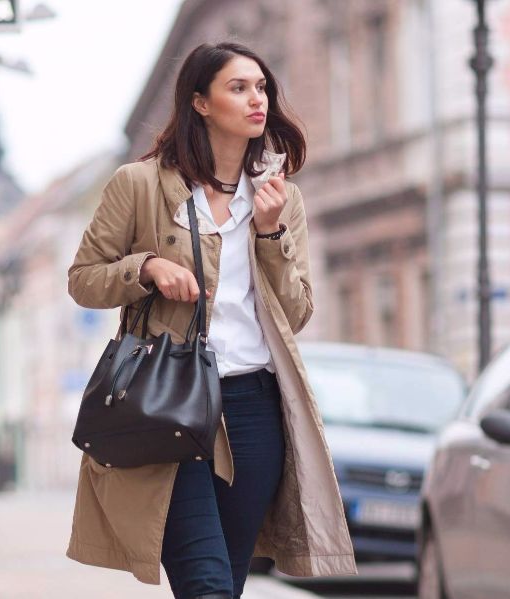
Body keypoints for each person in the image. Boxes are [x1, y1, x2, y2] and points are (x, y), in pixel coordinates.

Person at [65, 41, 357, 599]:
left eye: (262, 88)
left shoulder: (280, 198)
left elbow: (296, 313)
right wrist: (146, 267)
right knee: (206, 584)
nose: (257, 100)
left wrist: (270, 232)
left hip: (254, 406)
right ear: (200, 103)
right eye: (239, 88)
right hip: (169, 401)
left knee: (228, 580)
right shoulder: (140, 184)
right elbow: (83, 279)